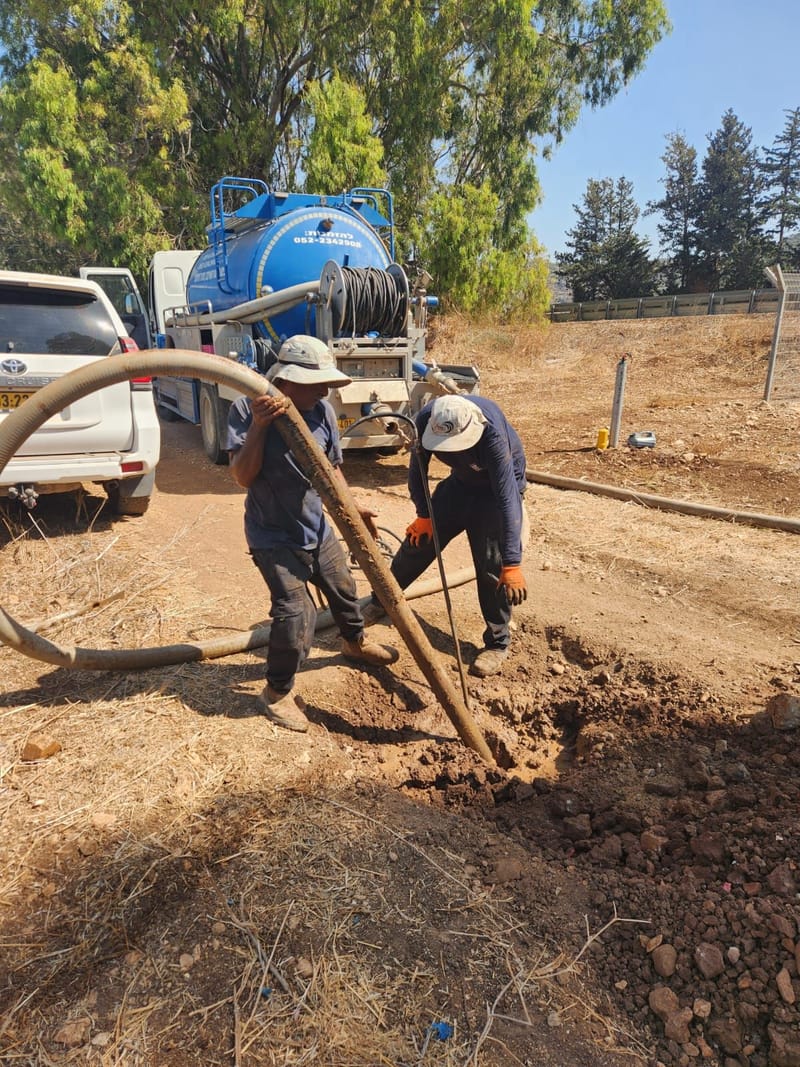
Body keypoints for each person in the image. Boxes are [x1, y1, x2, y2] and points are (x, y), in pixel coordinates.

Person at [228, 334, 398, 732]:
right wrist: (259, 428)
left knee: (343, 586)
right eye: (316, 382)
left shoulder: (321, 411)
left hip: (315, 526)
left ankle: (353, 644)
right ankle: (276, 693)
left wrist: (352, 506)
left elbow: (331, 466)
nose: (324, 389)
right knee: (295, 614)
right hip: (272, 534)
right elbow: (241, 476)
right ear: (286, 380)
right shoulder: (245, 410)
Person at [365, 393, 528, 678]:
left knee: (492, 564)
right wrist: (424, 515)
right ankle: (382, 601)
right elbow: (417, 469)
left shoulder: (492, 436)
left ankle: (498, 642)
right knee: (418, 543)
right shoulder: (427, 419)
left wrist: (512, 562)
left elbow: (508, 500)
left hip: (496, 493)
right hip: (460, 484)